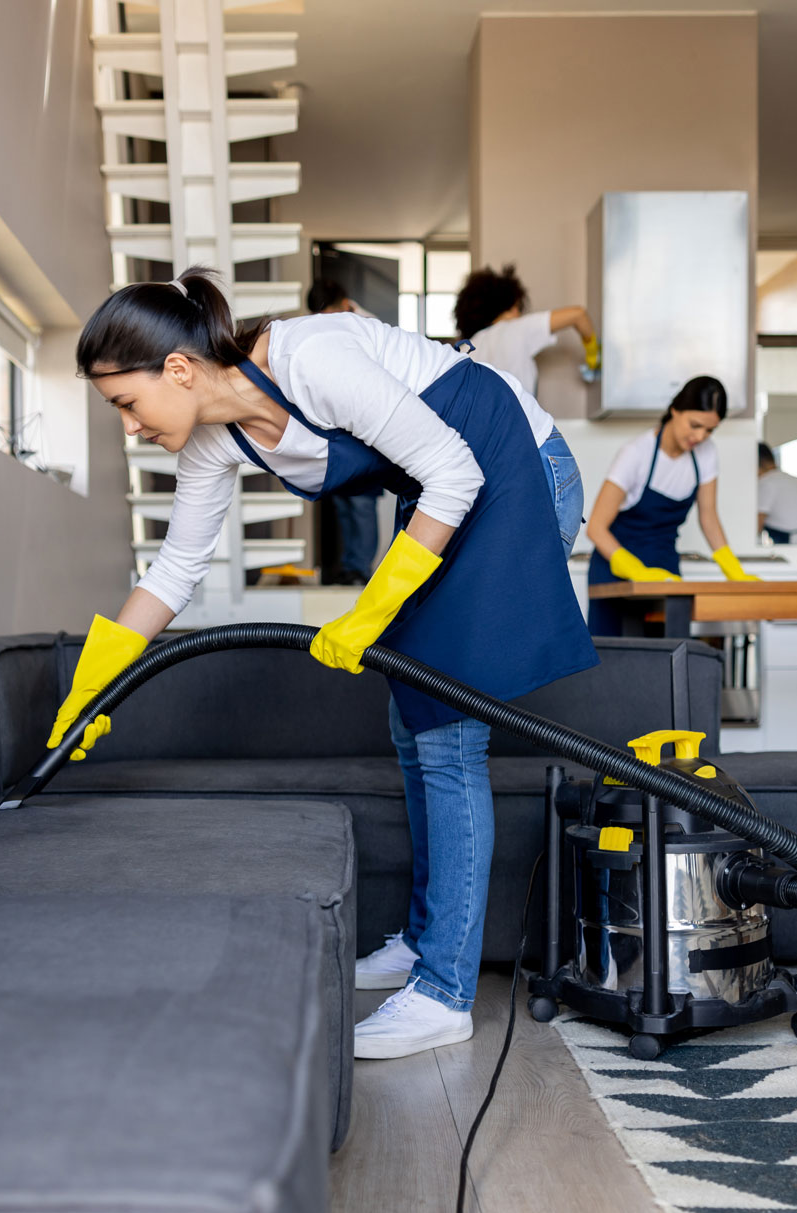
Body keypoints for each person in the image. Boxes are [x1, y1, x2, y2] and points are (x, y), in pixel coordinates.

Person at [57, 268, 595, 1060]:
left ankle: (445, 992)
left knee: (448, 731)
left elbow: (457, 470)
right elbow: (174, 570)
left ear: (176, 369)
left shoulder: (313, 359)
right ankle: (425, 940)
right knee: (411, 721)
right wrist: (96, 678)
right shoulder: (212, 439)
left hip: (517, 469)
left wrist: (371, 610)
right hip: (445, 498)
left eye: (126, 404)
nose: (130, 428)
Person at [583, 376, 758, 637]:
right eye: (695, 425)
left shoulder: (706, 454)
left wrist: (732, 569)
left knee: (666, 661)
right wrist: (635, 571)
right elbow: (596, 527)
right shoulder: (635, 454)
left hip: (664, 570)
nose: (700, 436)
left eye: (710, 430)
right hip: (614, 573)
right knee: (616, 665)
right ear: (675, 410)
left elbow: (708, 517)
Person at [306, 280, 378, 582]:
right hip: (332, 428)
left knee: (361, 503)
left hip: (362, 427)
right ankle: (350, 566)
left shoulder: (366, 326)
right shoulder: (314, 330)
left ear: (343, 304)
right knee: (342, 501)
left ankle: (360, 569)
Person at [452, 264, 598, 396]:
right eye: (518, 307)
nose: (519, 314)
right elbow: (579, 315)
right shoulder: (516, 329)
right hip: (519, 421)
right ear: (511, 307)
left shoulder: (468, 347)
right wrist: (593, 353)